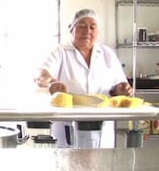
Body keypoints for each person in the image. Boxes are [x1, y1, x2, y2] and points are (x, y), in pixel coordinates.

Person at [34, 8, 133, 148]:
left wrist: (122, 89)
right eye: (82, 26)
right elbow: (40, 74)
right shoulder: (61, 52)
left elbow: (118, 86)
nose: (87, 31)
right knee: (67, 166)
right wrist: (51, 82)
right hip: (67, 127)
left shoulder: (107, 54)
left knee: (100, 167)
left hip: (102, 127)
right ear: (71, 29)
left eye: (92, 27)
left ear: (97, 32)